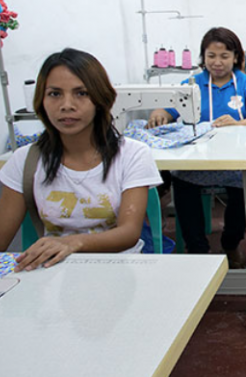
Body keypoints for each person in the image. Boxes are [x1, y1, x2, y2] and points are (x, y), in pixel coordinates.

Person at [0, 48, 163, 270]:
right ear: (41, 100)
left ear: (100, 99)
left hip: (120, 269)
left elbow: (128, 233)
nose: (67, 105)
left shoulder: (132, 155)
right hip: (52, 272)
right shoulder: (24, 161)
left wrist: (71, 243)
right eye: (55, 94)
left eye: (81, 93)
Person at [149, 27, 246, 267]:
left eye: (224, 56)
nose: (217, 62)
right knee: (182, 183)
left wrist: (238, 123)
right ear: (203, 57)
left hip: (236, 161)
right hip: (196, 162)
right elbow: (169, 108)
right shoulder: (191, 85)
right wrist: (159, 113)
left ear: (236, 57)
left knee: (244, 187)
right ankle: (198, 250)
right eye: (211, 56)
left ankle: (230, 242)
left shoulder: (245, 85)